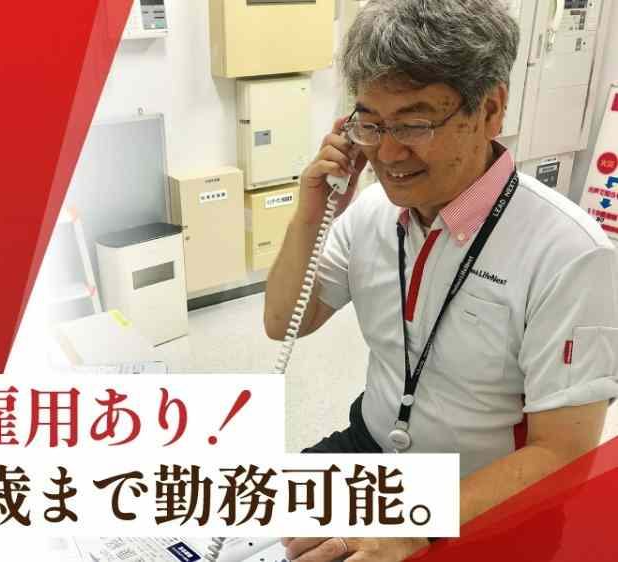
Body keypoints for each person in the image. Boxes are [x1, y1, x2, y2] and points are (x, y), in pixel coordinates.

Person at [264, 0, 618, 560]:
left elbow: (562, 452)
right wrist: (312, 213)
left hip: (482, 496)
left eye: (414, 123)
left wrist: (416, 526)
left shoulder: (570, 254)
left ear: (490, 109)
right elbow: (285, 321)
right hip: (371, 451)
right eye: (370, 123)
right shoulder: (371, 212)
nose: (387, 152)